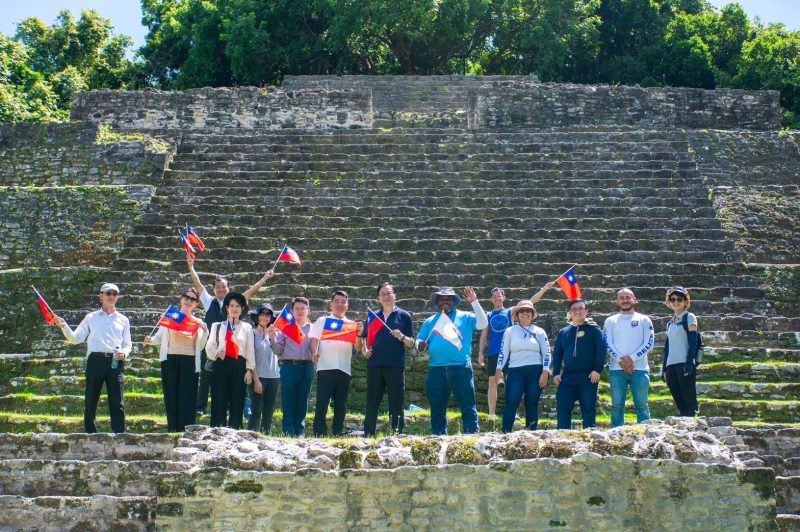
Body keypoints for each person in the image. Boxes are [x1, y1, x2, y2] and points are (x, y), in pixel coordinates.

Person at [186, 256, 273, 415]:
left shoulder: (234, 303)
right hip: (213, 346)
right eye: (218, 287)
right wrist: (191, 267)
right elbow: (198, 285)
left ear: (228, 288)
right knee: (206, 376)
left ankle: (229, 406)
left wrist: (264, 279)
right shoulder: (208, 301)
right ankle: (201, 406)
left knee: (230, 378)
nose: (221, 289)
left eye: (224, 286)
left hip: (232, 347)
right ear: (213, 289)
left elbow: (249, 293)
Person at [53, 282, 131, 433]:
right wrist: (64, 326)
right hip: (96, 360)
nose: (112, 296)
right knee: (91, 398)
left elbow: (128, 344)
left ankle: (120, 433)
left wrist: (125, 353)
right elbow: (76, 338)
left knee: (117, 401)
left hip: (116, 360)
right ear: (101, 296)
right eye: (108, 293)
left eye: (115, 294)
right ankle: (90, 432)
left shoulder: (124, 320)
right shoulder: (91, 317)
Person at [416, 287, 488, 435]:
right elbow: (420, 340)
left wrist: (474, 302)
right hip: (436, 369)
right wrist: (420, 345)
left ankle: (472, 435)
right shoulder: (430, 321)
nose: (445, 301)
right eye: (442, 298)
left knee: (467, 404)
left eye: (449, 298)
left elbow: (483, 324)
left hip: (461, 368)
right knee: (437, 407)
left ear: (454, 301)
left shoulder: (466, 317)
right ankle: (439, 437)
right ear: (437, 301)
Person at [479, 282, 555, 416]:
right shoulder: (488, 315)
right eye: (494, 297)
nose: (497, 298)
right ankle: (492, 414)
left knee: (511, 382)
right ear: (491, 299)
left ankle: (513, 412)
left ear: (503, 297)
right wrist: (480, 352)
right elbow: (484, 335)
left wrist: (544, 289)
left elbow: (530, 302)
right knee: (492, 382)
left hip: (511, 352)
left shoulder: (511, 312)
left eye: (499, 296)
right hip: (494, 352)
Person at [144, 288, 209, 432]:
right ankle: (172, 428)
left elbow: (202, 344)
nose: (189, 301)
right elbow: (159, 337)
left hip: (190, 361)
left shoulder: (198, 322)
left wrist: (205, 331)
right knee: (171, 394)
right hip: (170, 359)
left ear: (196, 304)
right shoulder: (172, 315)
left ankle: (185, 429)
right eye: (187, 297)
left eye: (193, 299)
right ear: (181, 298)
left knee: (188, 396)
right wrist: (151, 340)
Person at [360, 282, 414, 436]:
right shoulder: (373, 316)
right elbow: (363, 336)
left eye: (389, 293)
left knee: (396, 401)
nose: (386, 296)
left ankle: (396, 432)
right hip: (375, 364)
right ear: (378, 298)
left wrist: (402, 336)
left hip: (395, 365)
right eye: (382, 294)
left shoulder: (404, 316)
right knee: (372, 401)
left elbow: (411, 343)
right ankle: (368, 433)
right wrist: (364, 349)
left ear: (394, 295)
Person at [309, 290, 364, 437]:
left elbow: (358, 348)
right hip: (325, 367)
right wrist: (314, 352)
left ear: (347, 305)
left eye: (343, 302)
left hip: (344, 369)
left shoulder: (352, 325)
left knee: (341, 404)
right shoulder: (322, 321)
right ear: (331, 304)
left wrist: (358, 334)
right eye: (337, 301)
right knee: (322, 402)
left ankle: (337, 432)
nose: (340, 304)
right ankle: (319, 433)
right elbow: (314, 339)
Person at [495, 300, 551, 432]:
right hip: (515, 370)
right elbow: (503, 352)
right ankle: (505, 434)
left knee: (532, 403)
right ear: (517, 314)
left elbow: (547, 353)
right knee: (511, 402)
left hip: (535, 370)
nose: (525, 313)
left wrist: (545, 372)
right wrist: (498, 369)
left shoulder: (540, 331)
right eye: (522, 311)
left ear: (532, 314)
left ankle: (531, 434)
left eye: (528, 311)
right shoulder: (510, 331)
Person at [550, 299, 606, 430]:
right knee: (563, 409)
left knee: (588, 409)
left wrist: (597, 370)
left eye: (581, 308)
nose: (577, 311)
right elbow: (557, 354)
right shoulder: (563, 332)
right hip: (568, 376)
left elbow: (601, 349)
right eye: (574, 309)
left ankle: (590, 437)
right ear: (569, 312)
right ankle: (562, 438)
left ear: (586, 311)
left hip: (588, 376)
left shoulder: (594, 330)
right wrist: (556, 373)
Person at [603, 288, 654, 427]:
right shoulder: (610, 321)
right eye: (622, 297)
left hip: (640, 368)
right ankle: (616, 434)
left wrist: (631, 359)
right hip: (616, 369)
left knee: (642, 405)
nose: (625, 300)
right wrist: (621, 361)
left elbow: (649, 342)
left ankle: (646, 434)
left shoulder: (644, 319)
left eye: (628, 297)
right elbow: (607, 343)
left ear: (634, 299)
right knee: (617, 405)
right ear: (617, 301)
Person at [205, 292, 255, 429]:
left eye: (238, 306)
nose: (234, 309)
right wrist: (217, 353)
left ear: (242, 309)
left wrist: (249, 370)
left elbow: (250, 350)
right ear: (226, 308)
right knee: (219, 398)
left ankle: (235, 430)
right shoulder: (217, 326)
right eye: (231, 306)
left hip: (239, 365)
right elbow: (209, 347)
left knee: (237, 399)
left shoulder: (247, 327)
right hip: (221, 363)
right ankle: (217, 429)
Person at [269, 296, 314, 437]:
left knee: (302, 399)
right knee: (288, 399)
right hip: (289, 366)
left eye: (303, 308)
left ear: (308, 311)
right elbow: (278, 350)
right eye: (297, 308)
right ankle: (288, 431)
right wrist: (271, 337)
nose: (300, 311)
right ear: (292, 311)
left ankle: (299, 431)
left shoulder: (313, 329)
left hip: (307, 367)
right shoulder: (286, 328)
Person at [662, 286, 699, 417]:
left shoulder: (689, 317)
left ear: (685, 302)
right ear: (668, 302)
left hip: (684, 362)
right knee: (679, 400)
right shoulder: (670, 323)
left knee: (688, 399)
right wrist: (664, 368)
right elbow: (668, 347)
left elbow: (693, 342)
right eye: (672, 299)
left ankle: (692, 424)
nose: (676, 301)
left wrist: (689, 363)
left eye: (679, 299)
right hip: (671, 365)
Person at [248, 303, 280, 434]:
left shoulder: (276, 333)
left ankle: (266, 437)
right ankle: (251, 436)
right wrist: (256, 380)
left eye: (268, 314)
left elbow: (279, 352)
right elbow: (250, 358)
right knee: (256, 411)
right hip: (259, 376)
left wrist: (272, 337)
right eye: (262, 314)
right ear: (257, 317)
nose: (265, 317)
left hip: (274, 377)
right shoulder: (252, 333)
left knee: (269, 411)